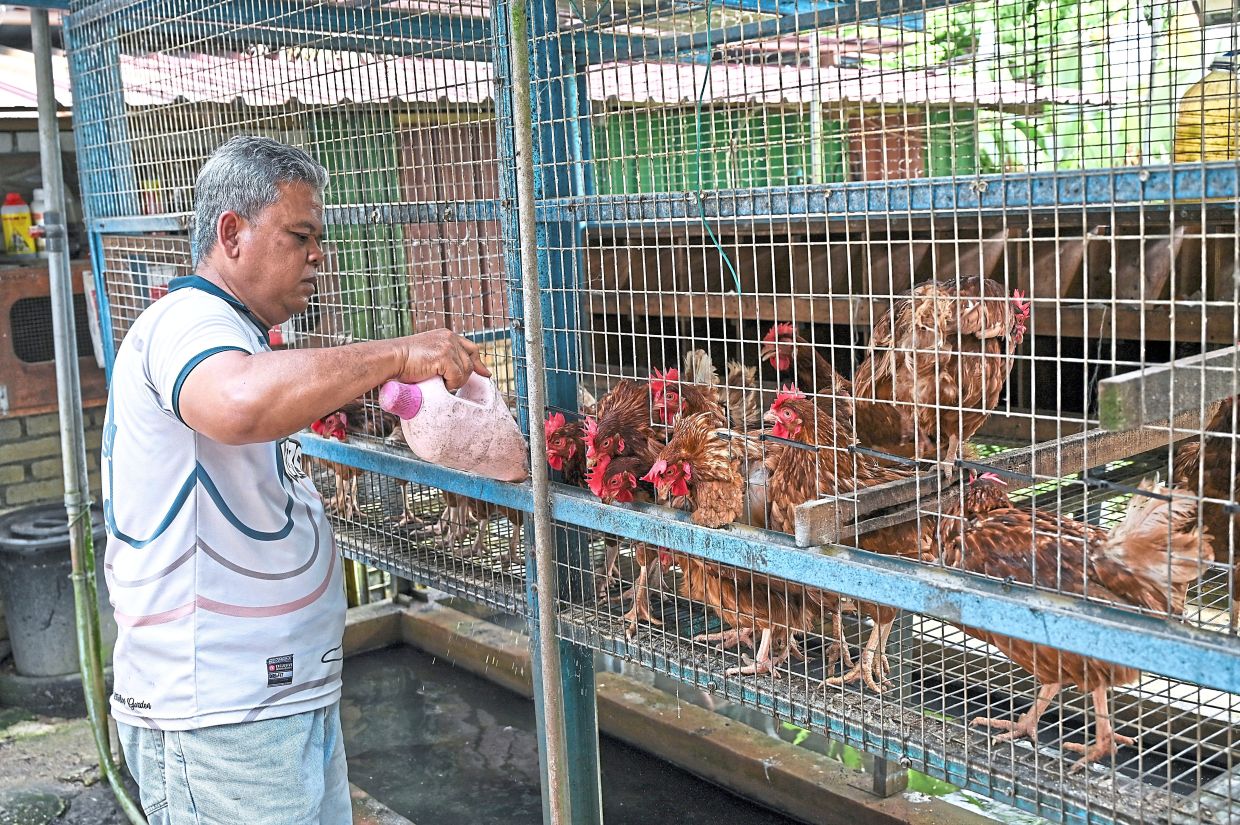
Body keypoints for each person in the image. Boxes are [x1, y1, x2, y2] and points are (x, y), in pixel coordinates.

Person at [101, 135, 488, 824]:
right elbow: (238, 402)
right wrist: (397, 351)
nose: (319, 256)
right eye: (300, 234)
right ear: (232, 233)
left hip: (265, 705)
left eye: (321, 238)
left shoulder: (236, 332)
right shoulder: (188, 321)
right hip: (219, 721)